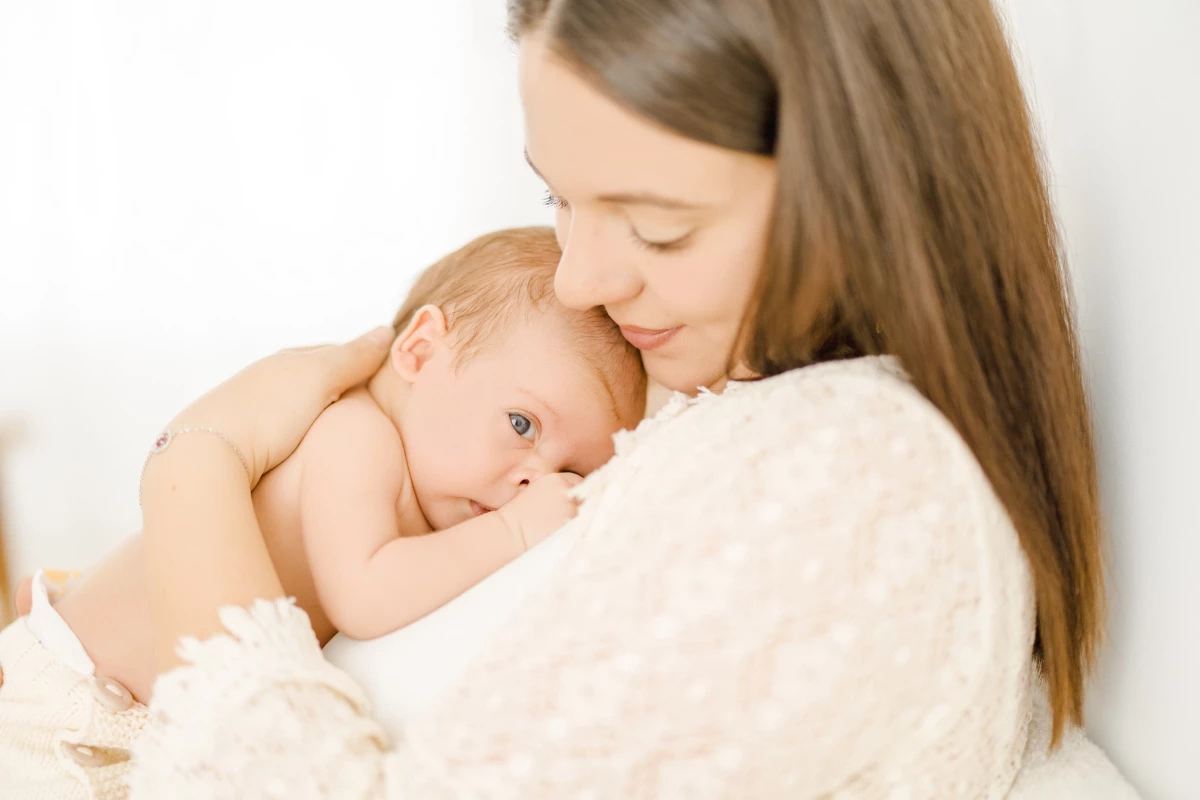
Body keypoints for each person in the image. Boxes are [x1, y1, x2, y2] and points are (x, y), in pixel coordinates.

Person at [0, 0, 1144, 797]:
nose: (585, 280)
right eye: (557, 200)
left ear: (867, 194)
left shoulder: (858, 477)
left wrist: (192, 462)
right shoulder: (724, 402)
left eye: (658, 227)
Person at [0, 227, 644, 796]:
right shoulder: (356, 433)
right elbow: (365, 594)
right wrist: (514, 531)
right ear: (419, 350)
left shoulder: (428, 494)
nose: (535, 481)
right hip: (71, 712)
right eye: (523, 423)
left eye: (570, 472)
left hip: (132, 721)